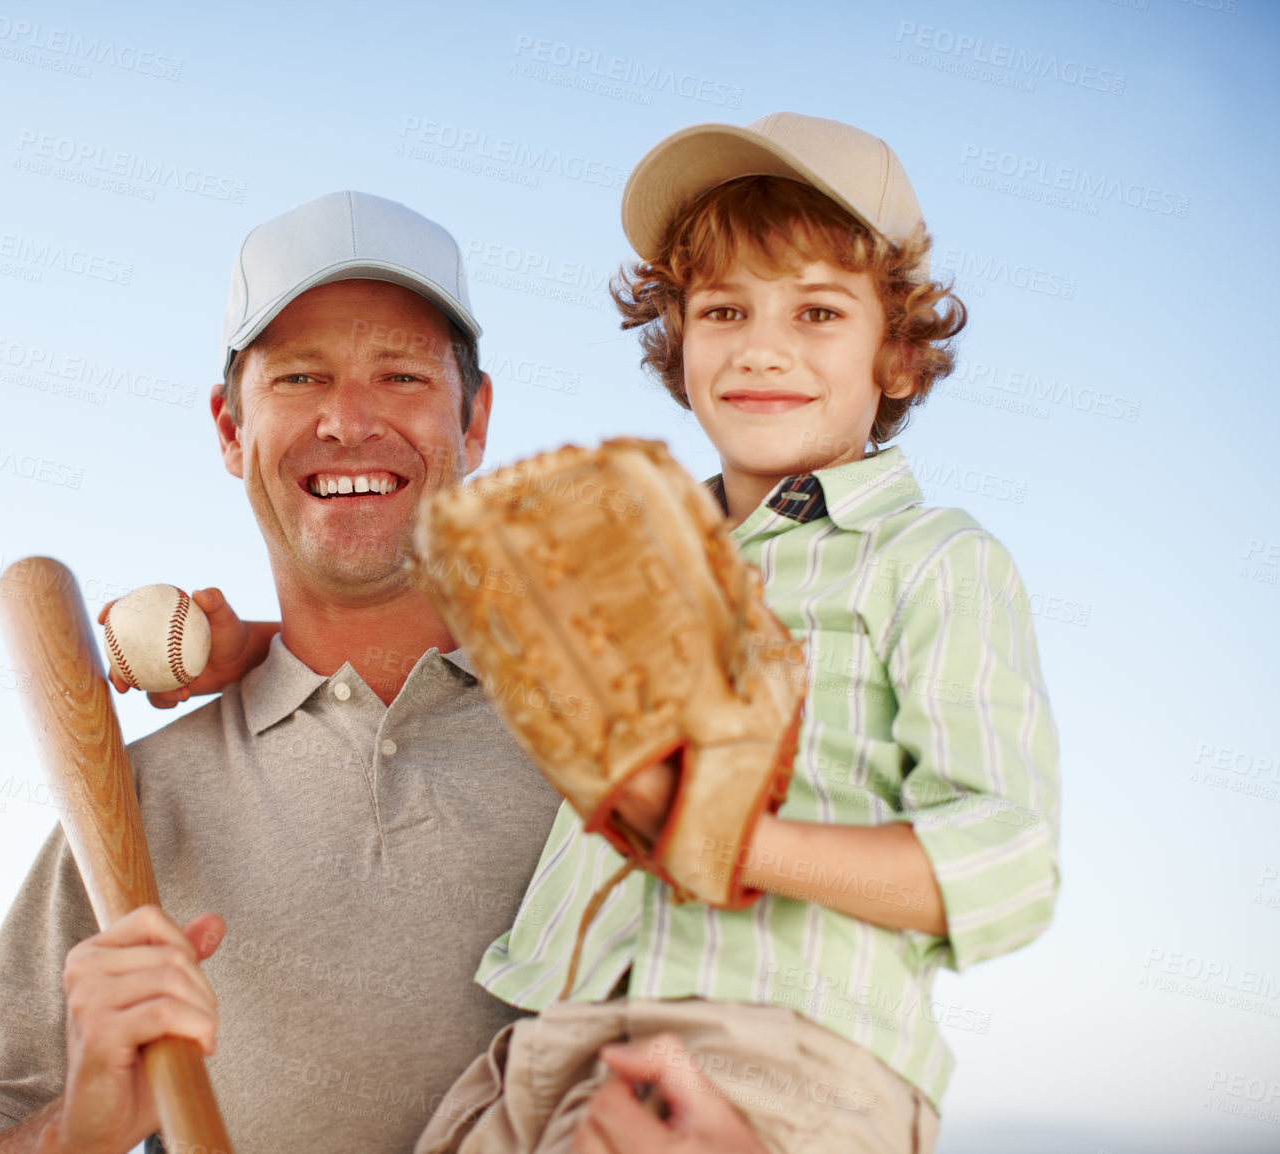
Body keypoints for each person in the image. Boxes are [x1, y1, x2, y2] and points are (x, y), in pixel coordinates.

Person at [417, 113, 1062, 1154]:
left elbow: (1009, 860)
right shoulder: (627, 562)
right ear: (679, 345)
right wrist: (245, 639)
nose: (763, 346)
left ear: (896, 353)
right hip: (539, 1043)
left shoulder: (928, 557)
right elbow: (461, 663)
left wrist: (741, 843)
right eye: (723, 309)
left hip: (785, 1055)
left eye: (816, 311)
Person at [0, 191, 569, 1154]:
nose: (348, 419)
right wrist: (75, 1129)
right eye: (299, 378)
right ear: (228, 427)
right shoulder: (135, 801)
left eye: (400, 375)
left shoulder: (606, 759)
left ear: (474, 421)